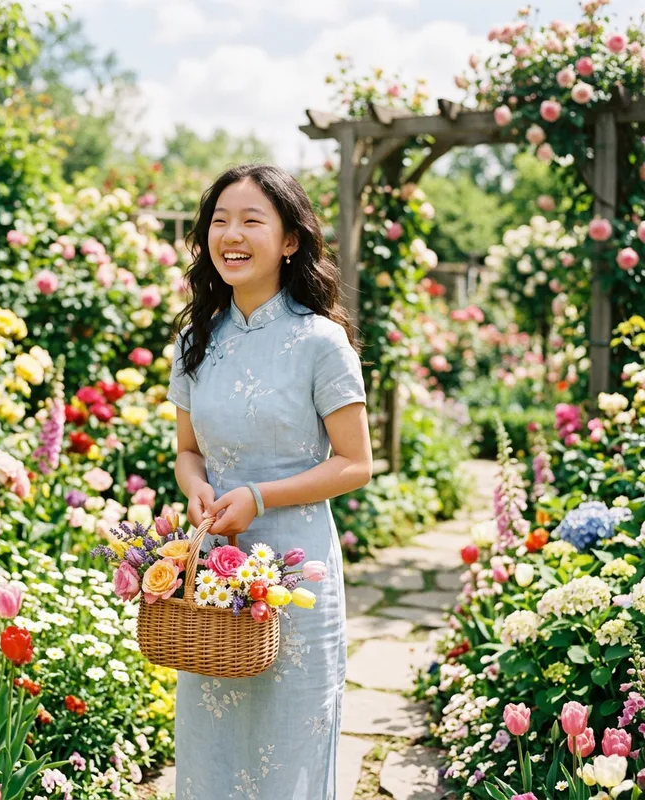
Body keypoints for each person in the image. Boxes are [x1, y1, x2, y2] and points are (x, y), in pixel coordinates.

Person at [167, 163, 372, 799]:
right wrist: (196, 486)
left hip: (297, 573)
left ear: (289, 241)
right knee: (212, 739)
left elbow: (355, 463)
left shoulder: (322, 342)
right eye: (220, 221)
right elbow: (187, 452)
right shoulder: (195, 339)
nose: (231, 234)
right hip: (216, 571)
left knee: (291, 744)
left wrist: (259, 497)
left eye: (251, 220)